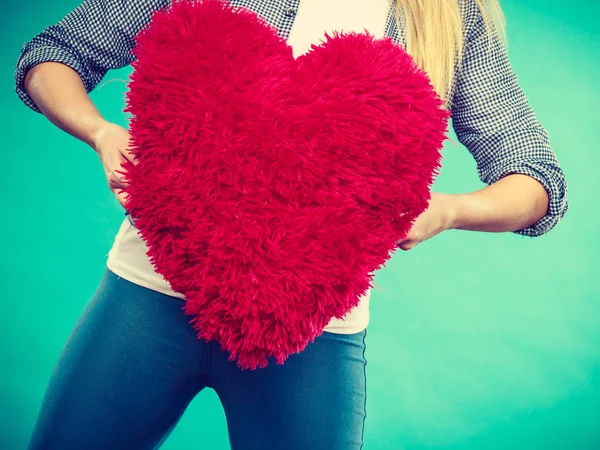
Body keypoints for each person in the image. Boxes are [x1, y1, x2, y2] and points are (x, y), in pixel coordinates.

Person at [14, 0, 568, 449]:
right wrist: (100, 132)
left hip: (310, 333)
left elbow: (538, 181)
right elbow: (53, 55)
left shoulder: (453, 18)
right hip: (146, 298)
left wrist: (449, 210)